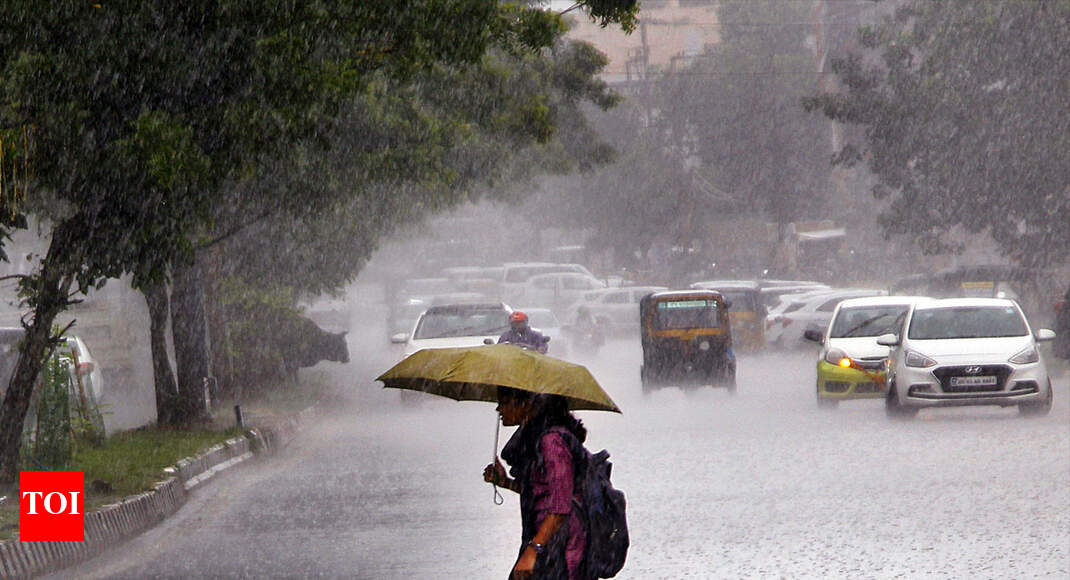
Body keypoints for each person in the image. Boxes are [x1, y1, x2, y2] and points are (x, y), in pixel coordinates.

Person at [483, 388, 589, 579]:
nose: (499, 409)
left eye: (505, 402)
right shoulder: (535, 437)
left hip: (559, 545)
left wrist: (533, 551)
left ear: (525, 404)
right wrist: (506, 482)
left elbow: (560, 505)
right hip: (545, 541)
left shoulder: (552, 442)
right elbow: (542, 493)